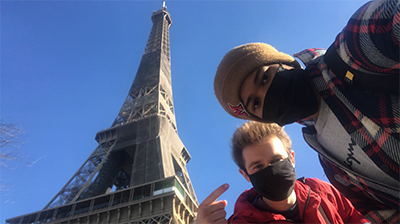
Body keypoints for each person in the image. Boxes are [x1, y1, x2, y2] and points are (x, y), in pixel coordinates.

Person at [213, 0, 400, 223]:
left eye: (264, 78)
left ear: (285, 63)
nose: (267, 95)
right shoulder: (331, 165)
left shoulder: (353, 52)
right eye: (255, 103)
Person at [196, 121, 370, 224]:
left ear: (292, 158)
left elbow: (352, 217)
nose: (271, 170)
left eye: (276, 160)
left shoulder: (320, 190)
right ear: (245, 175)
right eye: (258, 167)